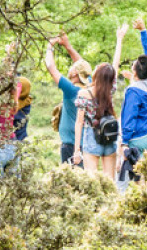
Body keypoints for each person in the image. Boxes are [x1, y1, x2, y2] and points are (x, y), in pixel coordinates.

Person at [45, 33, 93, 166]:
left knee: (70, 183)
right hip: (87, 144)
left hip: (72, 145)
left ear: (74, 74)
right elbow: (82, 66)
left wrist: (50, 46)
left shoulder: (71, 90)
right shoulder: (89, 86)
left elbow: (50, 67)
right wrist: (68, 46)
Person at [118, 19, 147, 159]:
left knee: (137, 179)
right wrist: (143, 31)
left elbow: (129, 116)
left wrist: (124, 142)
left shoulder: (133, 91)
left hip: (137, 139)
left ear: (135, 72)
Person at [74, 62, 119, 178]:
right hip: (109, 135)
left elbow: (79, 123)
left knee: (92, 182)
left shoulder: (84, 94)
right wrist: (119, 43)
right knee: (110, 182)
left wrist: (76, 150)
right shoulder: (110, 91)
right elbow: (115, 66)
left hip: (91, 135)